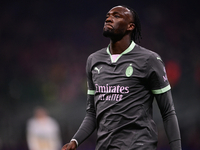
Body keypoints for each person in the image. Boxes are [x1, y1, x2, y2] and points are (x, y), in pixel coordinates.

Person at [62, 5, 181, 150]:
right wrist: (75, 141)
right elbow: (92, 114)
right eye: (108, 15)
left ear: (130, 26)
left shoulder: (149, 60)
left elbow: (168, 112)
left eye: (116, 16)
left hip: (139, 146)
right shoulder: (93, 60)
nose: (109, 18)